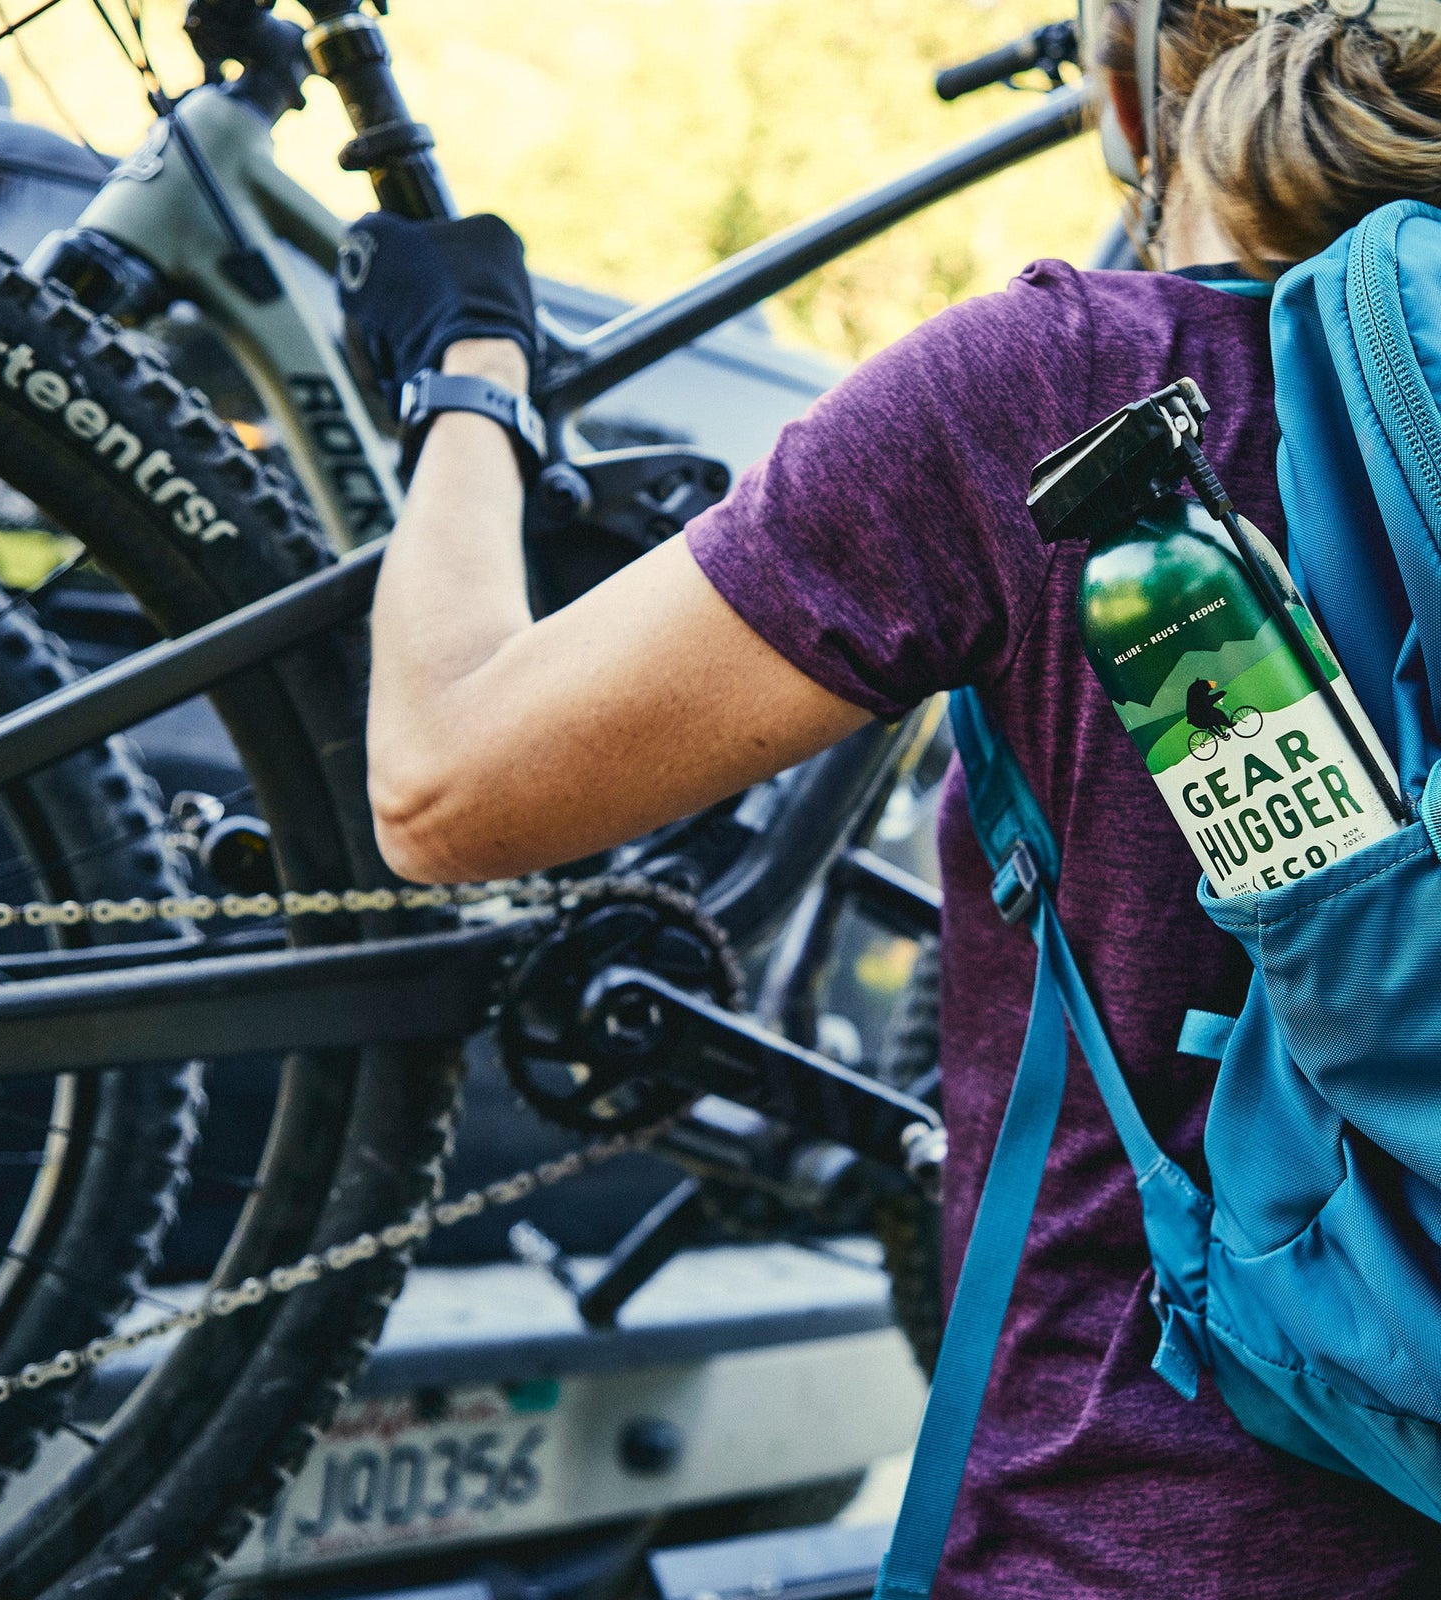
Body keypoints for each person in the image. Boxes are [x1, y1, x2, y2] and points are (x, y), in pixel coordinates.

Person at [351, 3, 1441, 1594]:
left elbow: (447, 785)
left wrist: (470, 377)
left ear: (1140, 61)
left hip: (1124, 1538)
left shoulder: (1072, 383)